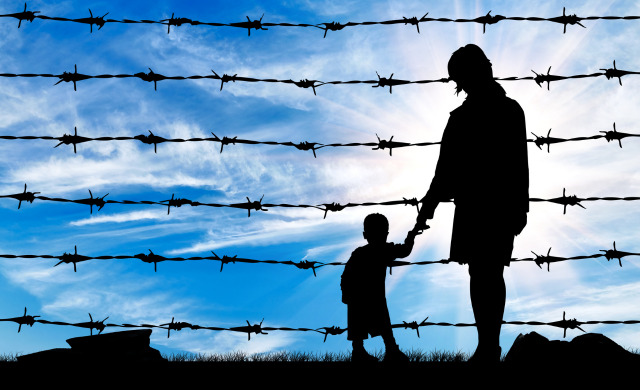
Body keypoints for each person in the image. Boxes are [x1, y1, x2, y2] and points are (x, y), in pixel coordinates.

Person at [415, 44, 529, 364]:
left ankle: (488, 346)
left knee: (487, 273)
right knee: (482, 274)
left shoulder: (502, 111)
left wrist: (521, 206)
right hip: (476, 205)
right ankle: (487, 345)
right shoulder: (474, 115)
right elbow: (446, 169)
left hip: (492, 206)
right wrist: (429, 207)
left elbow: (517, 163)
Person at [341, 212, 421, 363]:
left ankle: (359, 351)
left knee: (358, 322)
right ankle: (390, 350)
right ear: (387, 233)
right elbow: (405, 251)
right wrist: (412, 235)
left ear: (365, 234)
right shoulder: (385, 249)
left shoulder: (358, 253)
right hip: (373, 295)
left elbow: (345, 275)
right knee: (383, 320)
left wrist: (345, 293)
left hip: (355, 295)